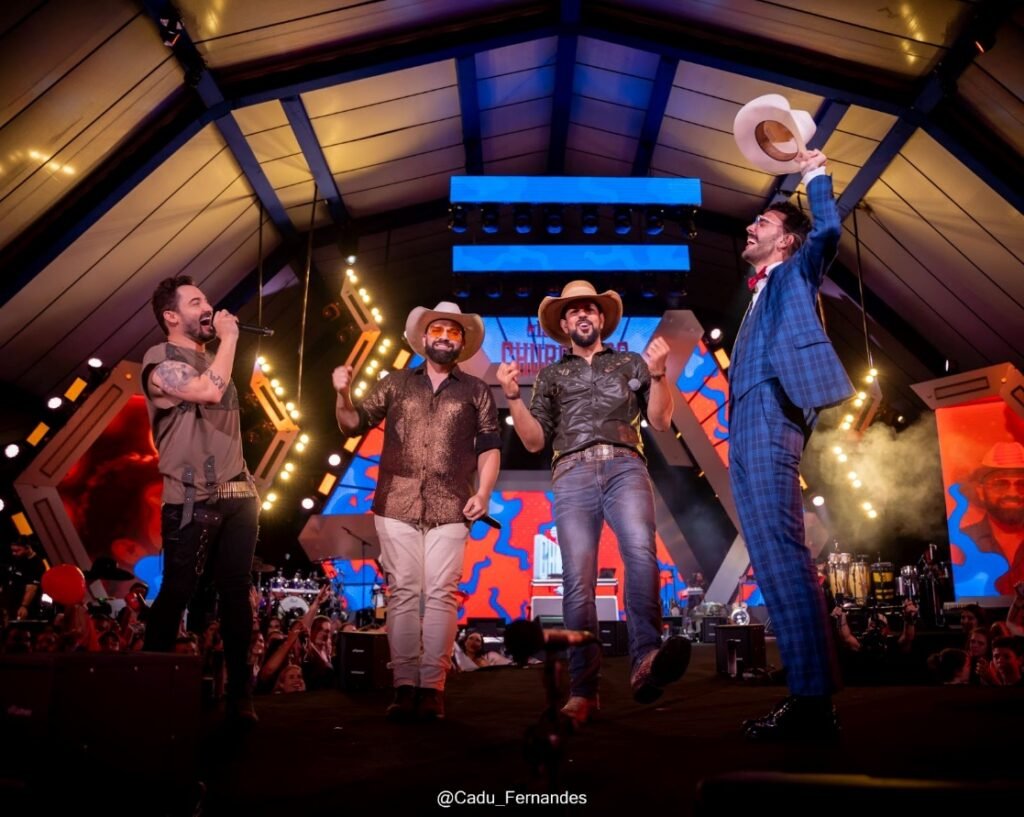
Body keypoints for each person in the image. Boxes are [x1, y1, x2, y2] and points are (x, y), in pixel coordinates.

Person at [497, 280, 691, 727]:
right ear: (564, 323)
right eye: (574, 310)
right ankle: (584, 690)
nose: (583, 314)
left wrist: (658, 374)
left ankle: (646, 661)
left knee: (641, 555)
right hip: (572, 471)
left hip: (625, 466)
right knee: (577, 580)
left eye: (590, 308)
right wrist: (511, 398)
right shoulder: (550, 375)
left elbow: (661, 421)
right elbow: (534, 441)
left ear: (601, 318)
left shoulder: (630, 362)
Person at [728, 149, 854, 740]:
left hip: (771, 410)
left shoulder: (795, 271)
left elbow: (827, 231)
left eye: (763, 222)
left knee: (782, 550)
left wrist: (814, 173)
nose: (750, 227)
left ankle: (812, 702)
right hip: (745, 419)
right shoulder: (757, 293)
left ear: (785, 242)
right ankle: (805, 694)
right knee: (769, 554)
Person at [333, 301, 500, 722]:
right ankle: (404, 684)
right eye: (437, 330)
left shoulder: (476, 390)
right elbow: (351, 424)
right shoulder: (394, 383)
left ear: (461, 341)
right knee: (404, 592)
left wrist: (484, 492)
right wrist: (342, 393)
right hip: (396, 501)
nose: (444, 337)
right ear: (424, 337)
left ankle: (433, 688)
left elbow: (489, 446)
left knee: (441, 593)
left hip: (452, 503)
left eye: (453, 331)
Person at [140, 275, 260, 725]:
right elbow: (206, 391)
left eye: (207, 299)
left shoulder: (215, 361)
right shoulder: (159, 360)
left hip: (238, 494)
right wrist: (229, 338)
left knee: (236, 594)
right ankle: (147, 693)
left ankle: (240, 695)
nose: (207, 307)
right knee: (177, 591)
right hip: (191, 498)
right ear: (171, 316)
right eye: (195, 302)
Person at [961, 441, 1024, 595]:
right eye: (1000, 484)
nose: (1013, 493)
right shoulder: (962, 542)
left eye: (1022, 484)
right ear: (980, 491)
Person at [3, 537, 47, 621]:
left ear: (27, 548)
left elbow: (32, 588)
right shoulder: (18, 559)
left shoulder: (37, 564)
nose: (14, 553)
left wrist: (24, 606)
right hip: (12, 605)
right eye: (13, 551)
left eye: (17, 551)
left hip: (26, 607)